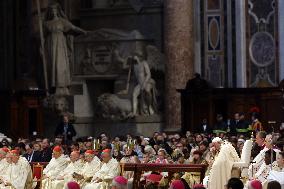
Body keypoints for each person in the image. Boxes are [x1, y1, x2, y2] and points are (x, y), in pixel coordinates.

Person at [44, 3, 86, 95]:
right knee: (53, 65)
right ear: (50, 12)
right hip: (50, 45)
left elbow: (73, 28)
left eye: (55, 10)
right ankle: (55, 86)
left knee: (60, 65)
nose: (53, 12)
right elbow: (43, 36)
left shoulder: (62, 21)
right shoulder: (47, 24)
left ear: (58, 11)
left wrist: (84, 32)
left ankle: (62, 86)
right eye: (52, 10)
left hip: (60, 45)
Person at [131, 51, 157, 116]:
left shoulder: (144, 63)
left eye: (135, 56)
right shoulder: (134, 66)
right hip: (139, 84)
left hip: (147, 81)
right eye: (133, 56)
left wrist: (144, 83)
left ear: (139, 57)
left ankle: (149, 106)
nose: (134, 57)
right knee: (134, 94)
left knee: (147, 90)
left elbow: (149, 74)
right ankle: (134, 112)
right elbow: (135, 78)